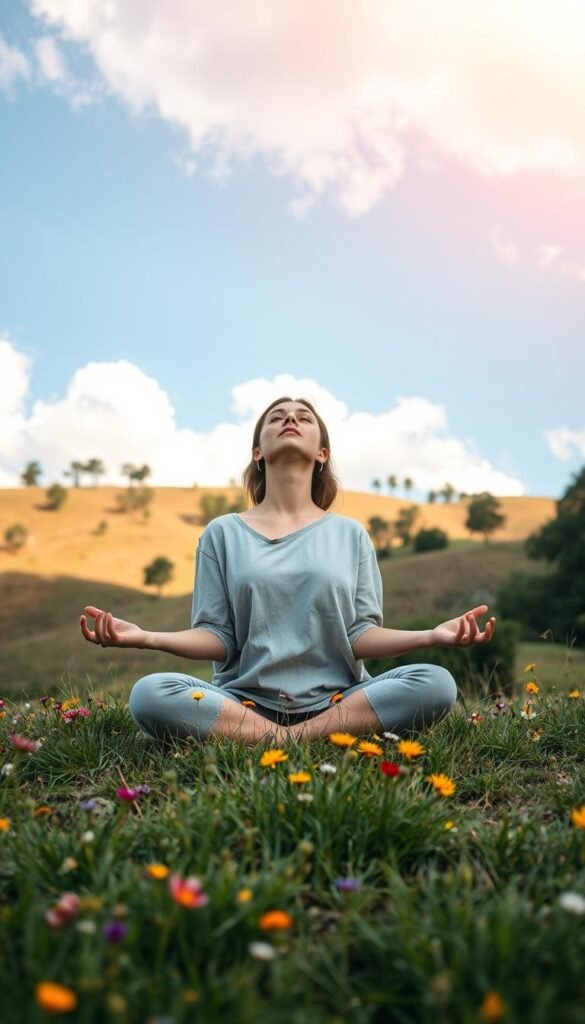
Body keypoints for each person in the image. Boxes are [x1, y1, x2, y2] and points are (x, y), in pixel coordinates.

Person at [80, 395, 496, 745]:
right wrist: (146, 637)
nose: (290, 419)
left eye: (303, 417)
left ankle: (286, 738)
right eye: (276, 417)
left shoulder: (350, 535)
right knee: (150, 695)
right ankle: (292, 737)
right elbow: (218, 638)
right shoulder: (222, 533)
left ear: (322, 453)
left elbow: (361, 636)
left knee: (437, 683)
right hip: (241, 701)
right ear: (258, 452)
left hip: (340, 699)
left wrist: (433, 636)